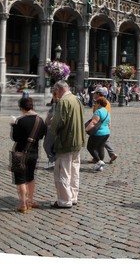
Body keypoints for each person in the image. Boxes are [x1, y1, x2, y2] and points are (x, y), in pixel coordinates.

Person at [46, 81, 85, 209]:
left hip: (65, 141)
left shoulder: (63, 101)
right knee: (74, 171)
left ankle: (64, 200)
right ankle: (73, 197)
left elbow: (58, 123)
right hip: (77, 141)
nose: (55, 93)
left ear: (58, 89)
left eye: (55, 91)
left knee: (63, 171)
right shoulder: (76, 99)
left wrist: (50, 131)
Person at [10, 96, 47, 213]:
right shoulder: (40, 120)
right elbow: (41, 135)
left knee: (21, 179)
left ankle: (23, 204)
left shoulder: (20, 121)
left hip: (20, 153)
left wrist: (13, 125)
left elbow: (15, 138)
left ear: (21, 108)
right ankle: (30, 201)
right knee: (30, 177)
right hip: (34, 153)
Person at [84, 94, 112, 171]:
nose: (95, 104)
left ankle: (99, 161)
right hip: (106, 133)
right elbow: (109, 123)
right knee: (101, 147)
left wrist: (86, 130)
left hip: (98, 133)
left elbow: (94, 122)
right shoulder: (107, 112)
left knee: (90, 147)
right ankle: (100, 166)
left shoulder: (98, 112)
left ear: (99, 103)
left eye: (96, 103)